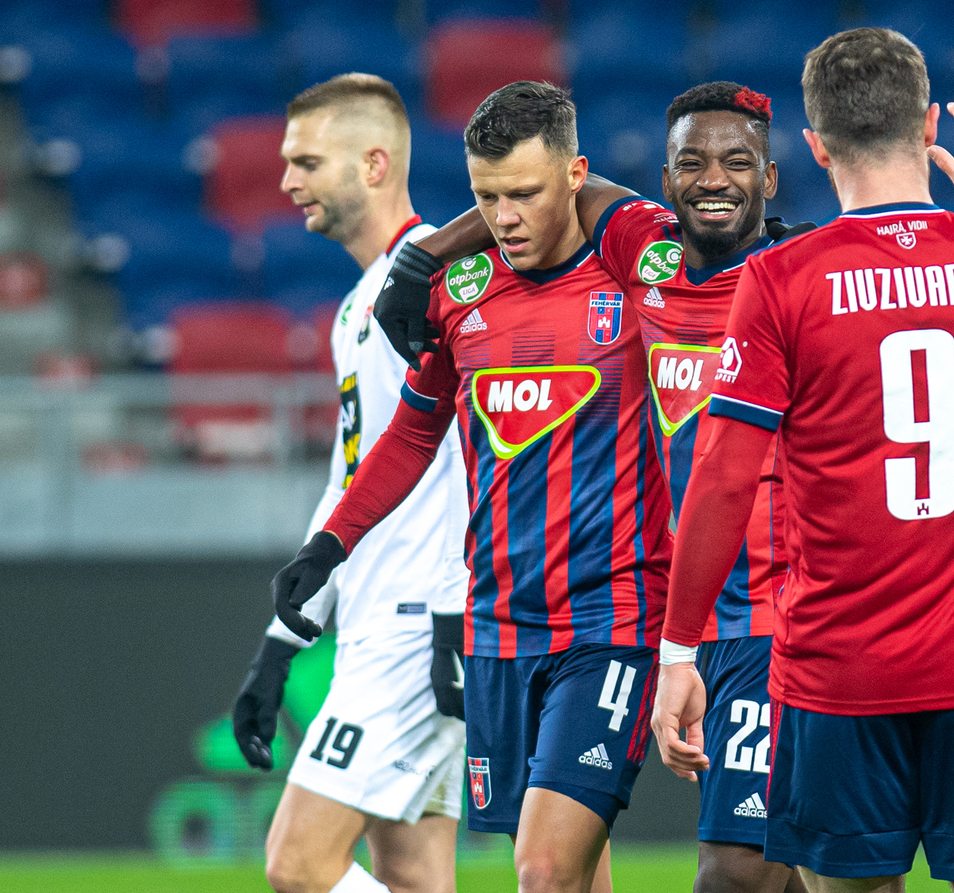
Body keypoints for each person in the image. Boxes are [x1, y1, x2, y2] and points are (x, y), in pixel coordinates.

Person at [650, 28, 954, 893]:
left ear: (814, 147)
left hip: (836, 673)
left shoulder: (781, 280)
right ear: (929, 129)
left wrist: (678, 651)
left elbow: (722, 480)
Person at [380, 80, 812, 893]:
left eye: (736, 162)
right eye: (692, 162)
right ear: (665, 178)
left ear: (771, 176)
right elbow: (553, 189)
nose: (713, 179)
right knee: (770, 868)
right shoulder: (642, 254)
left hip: (775, 608)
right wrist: (425, 255)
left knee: (747, 869)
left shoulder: (801, 277)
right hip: (685, 614)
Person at [270, 81, 670, 893]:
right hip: (501, 627)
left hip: (612, 619)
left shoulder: (633, 280)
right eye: (487, 198)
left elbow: (695, 239)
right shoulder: (462, 292)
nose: (505, 217)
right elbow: (413, 433)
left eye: (524, 193)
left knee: (542, 868)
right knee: (567, 871)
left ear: (576, 176)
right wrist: (331, 543)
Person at [229, 73, 469, 893]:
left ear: (373, 163)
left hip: (417, 624)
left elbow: (476, 454)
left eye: (306, 161)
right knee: (412, 874)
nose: (286, 180)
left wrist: (454, 608)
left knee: (297, 864)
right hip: (378, 620)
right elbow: (350, 480)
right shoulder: (357, 306)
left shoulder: (439, 283)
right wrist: (282, 643)